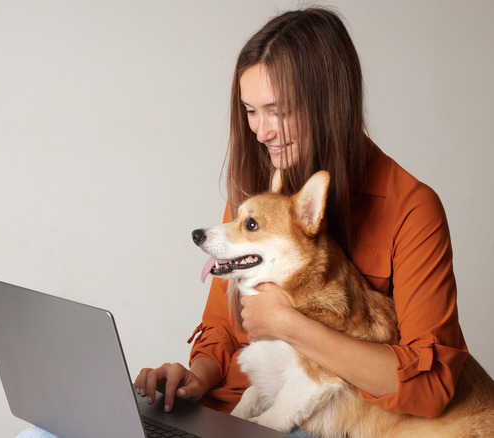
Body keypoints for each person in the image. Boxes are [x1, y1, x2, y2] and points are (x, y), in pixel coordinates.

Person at [133, 5, 467, 429]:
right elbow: (223, 327)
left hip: (324, 419)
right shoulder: (257, 198)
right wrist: (194, 378)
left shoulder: (412, 209)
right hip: (237, 408)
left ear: (330, 104)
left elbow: (430, 385)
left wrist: (289, 324)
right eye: (251, 110)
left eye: (278, 111)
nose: (261, 131)